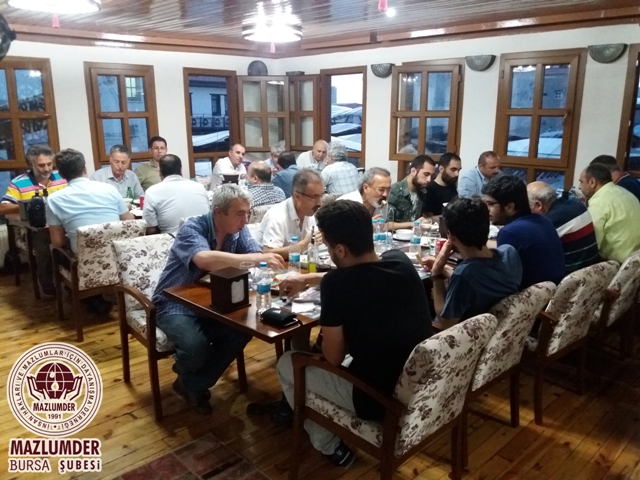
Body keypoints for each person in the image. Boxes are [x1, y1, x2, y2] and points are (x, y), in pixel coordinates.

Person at [277, 200, 432, 466]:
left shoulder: (337, 285)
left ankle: (329, 445)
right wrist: (308, 279)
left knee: (287, 362)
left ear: (340, 249)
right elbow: (363, 274)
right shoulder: (400, 261)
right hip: (414, 382)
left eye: (328, 246)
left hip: (374, 397)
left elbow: (333, 358)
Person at [152, 184, 284, 414]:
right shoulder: (193, 227)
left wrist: (258, 260)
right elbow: (204, 259)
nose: (245, 219)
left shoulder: (238, 229)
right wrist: (253, 259)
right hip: (174, 302)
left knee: (242, 331)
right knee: (195, 346)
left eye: (248, 213)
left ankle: (191, 383)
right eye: (239, 213)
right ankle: (190, 377)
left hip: (214, 302)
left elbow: (254, 253)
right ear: (218, 212)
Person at [46, 148, 134, 314]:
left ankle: (88, 297)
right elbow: (129, 222)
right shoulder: (109, 189)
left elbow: (57, 242)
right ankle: (101, 297)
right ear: (85, 168)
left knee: (59, 252)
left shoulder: (54, 199)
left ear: (61, 174)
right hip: (118, 255)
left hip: (85, 262)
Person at [421, 197, 522, 330]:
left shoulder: (464, 275)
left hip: (468, 336)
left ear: (450, 235)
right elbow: (482, 281)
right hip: (500, 330)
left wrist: (436, 275)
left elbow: (446, 323)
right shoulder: (509, 253)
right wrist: (444, 268)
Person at [0, 145, 67, 296]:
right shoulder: (19, 182)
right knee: (43, 239)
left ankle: (71, 282)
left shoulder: (62, 177)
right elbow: (3, 208)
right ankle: (47, 283)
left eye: (49, 164)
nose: (47, 169)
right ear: (31, 164)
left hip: (61, 224)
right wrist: (29, 205)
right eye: (41, 165)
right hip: (34, 229)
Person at [482, 175, 565, 289]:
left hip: (528, 297)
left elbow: (503, 279)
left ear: (510, 207)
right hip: (551, 293)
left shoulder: (510, 232)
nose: (486, 209)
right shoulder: (543, 220)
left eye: (491, 204)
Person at [527, 181, 600, 274]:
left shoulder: (550, 222)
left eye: (528, 206)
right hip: (592, 270)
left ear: (538, 205)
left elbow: (534, 254)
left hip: (569, 276)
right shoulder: (578, 205)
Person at [578, 164, 640, 264]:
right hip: (634, 261)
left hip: (617, 264)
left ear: (592, 182)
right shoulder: (626, 193)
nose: (579, 187)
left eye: (581, 182)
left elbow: (591, 244)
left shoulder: (600, 202)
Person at [258, 169, 323, 259]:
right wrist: (303, 245)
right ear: (297, 197)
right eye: (314, 197)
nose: (320, 203)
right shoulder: (277, 216)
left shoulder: (310, 212)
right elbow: (268, 253)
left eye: (321, 196)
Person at [142, 154, 210, 235]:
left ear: (160, 172)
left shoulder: (152, 192)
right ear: (181, 170)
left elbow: (151, 229)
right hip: (204, 238)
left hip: (172, 240)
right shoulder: (200, 187)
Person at [387, 154, 435, 228]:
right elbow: (387, 225)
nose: (429, 179)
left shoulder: (423, 192)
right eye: (426, 174)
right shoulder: (394, 191)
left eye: (431, 176)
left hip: (416, 233)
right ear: (413, 171)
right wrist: (413, 224)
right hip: (396, 234)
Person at [422, 152, 462, 217]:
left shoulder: (452, 185)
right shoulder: (429, 189)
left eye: (458, 170)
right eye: (453, 170)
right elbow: (428, 218)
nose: (457, 174)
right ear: (441, 169)